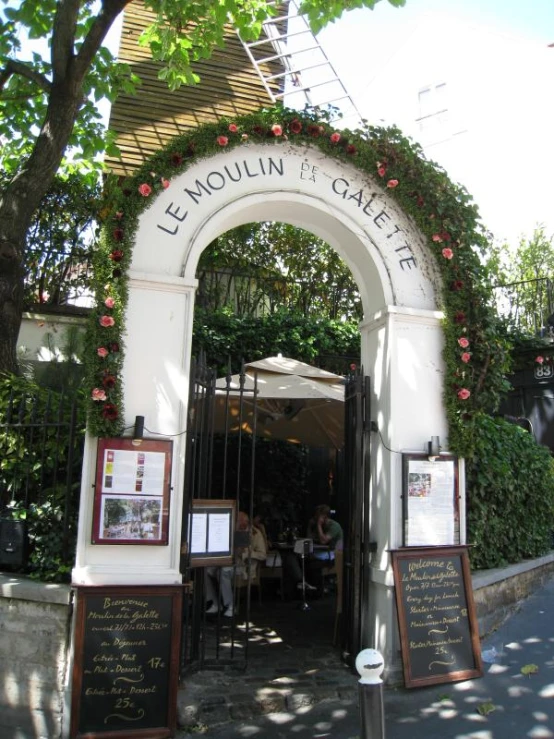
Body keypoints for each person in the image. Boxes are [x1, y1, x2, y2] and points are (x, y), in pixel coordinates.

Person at [205, 511, 267, 617]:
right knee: (206, 570)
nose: (242, 524)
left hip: (245, 567)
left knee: (223, 571)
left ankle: (230, 605)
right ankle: (215, 603)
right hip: (227, 562)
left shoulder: (255, 533)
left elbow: (263, 555)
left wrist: (247, 553)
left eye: (244, 521)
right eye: (239, 521)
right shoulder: (228, 530)